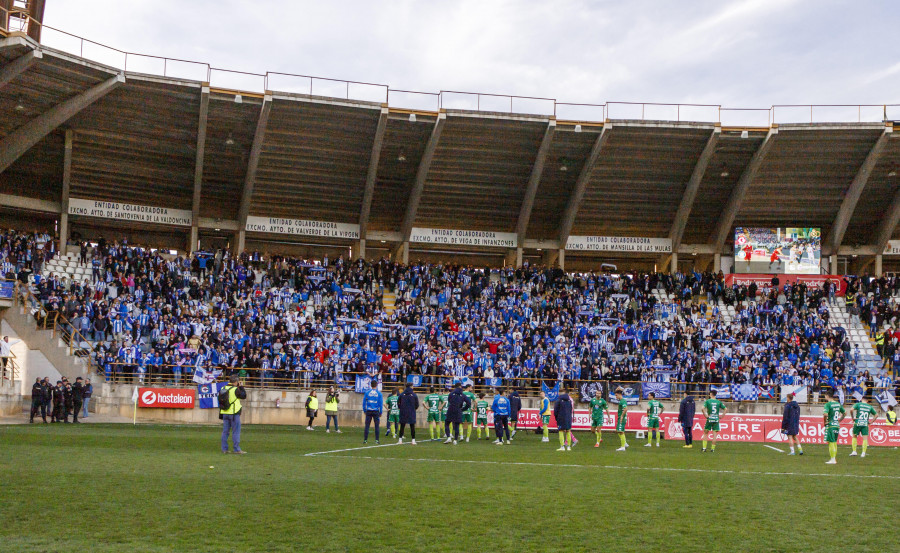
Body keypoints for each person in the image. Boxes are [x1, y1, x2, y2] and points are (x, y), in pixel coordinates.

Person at [220, 375, 247, 454]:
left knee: (225, 432)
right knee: (236, 431)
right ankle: (237, 449)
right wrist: (241, 387)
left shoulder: (223, 388)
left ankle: (224, 449)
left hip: (225, 412)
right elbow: (243, 396)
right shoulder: (235, 389)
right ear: (236, 382)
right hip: (234, 412)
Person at [823, 389, 845, 465]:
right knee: (834, 442)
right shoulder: (838, 404)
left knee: (831, 442)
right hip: (836, 425)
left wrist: (825, 422)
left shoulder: (828, 404)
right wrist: (839, 421)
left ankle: (833, 460)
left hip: (831, 425)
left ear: (827, 396)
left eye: (825, 395)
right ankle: (833, 458)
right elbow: (845, 413)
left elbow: (825, 414)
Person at [362, 380, 383, 444]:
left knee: (367, 426)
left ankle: (365, 440)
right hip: (376, 411)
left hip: (369, 411)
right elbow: (380, 403)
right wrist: (380, 412)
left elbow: (364, 402)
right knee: (377, 426)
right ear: (376, 385)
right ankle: (377, 440)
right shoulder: (379, 393)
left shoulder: (367, 393)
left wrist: (364, 410)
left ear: (371, 385)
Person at [554, 386, 574, 451]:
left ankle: (562, 446)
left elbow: (556, 410)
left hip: (561, 417)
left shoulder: (559, 400)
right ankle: (568, 447)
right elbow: (571, 409)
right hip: (568, 417)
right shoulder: (569, 400)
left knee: (561, 431)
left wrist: (557, 417)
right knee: (568, 431)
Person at [615, 388, 629, 452]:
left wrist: (621, 417)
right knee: (618, 430)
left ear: (619, 394)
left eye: (616, 395)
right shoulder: (621, 401)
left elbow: (625, 409)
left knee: (621, 431)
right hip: (621, 417)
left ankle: (623, 447)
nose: (616, 397)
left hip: (622, 418)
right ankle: (625, 443)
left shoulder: (623, 401)